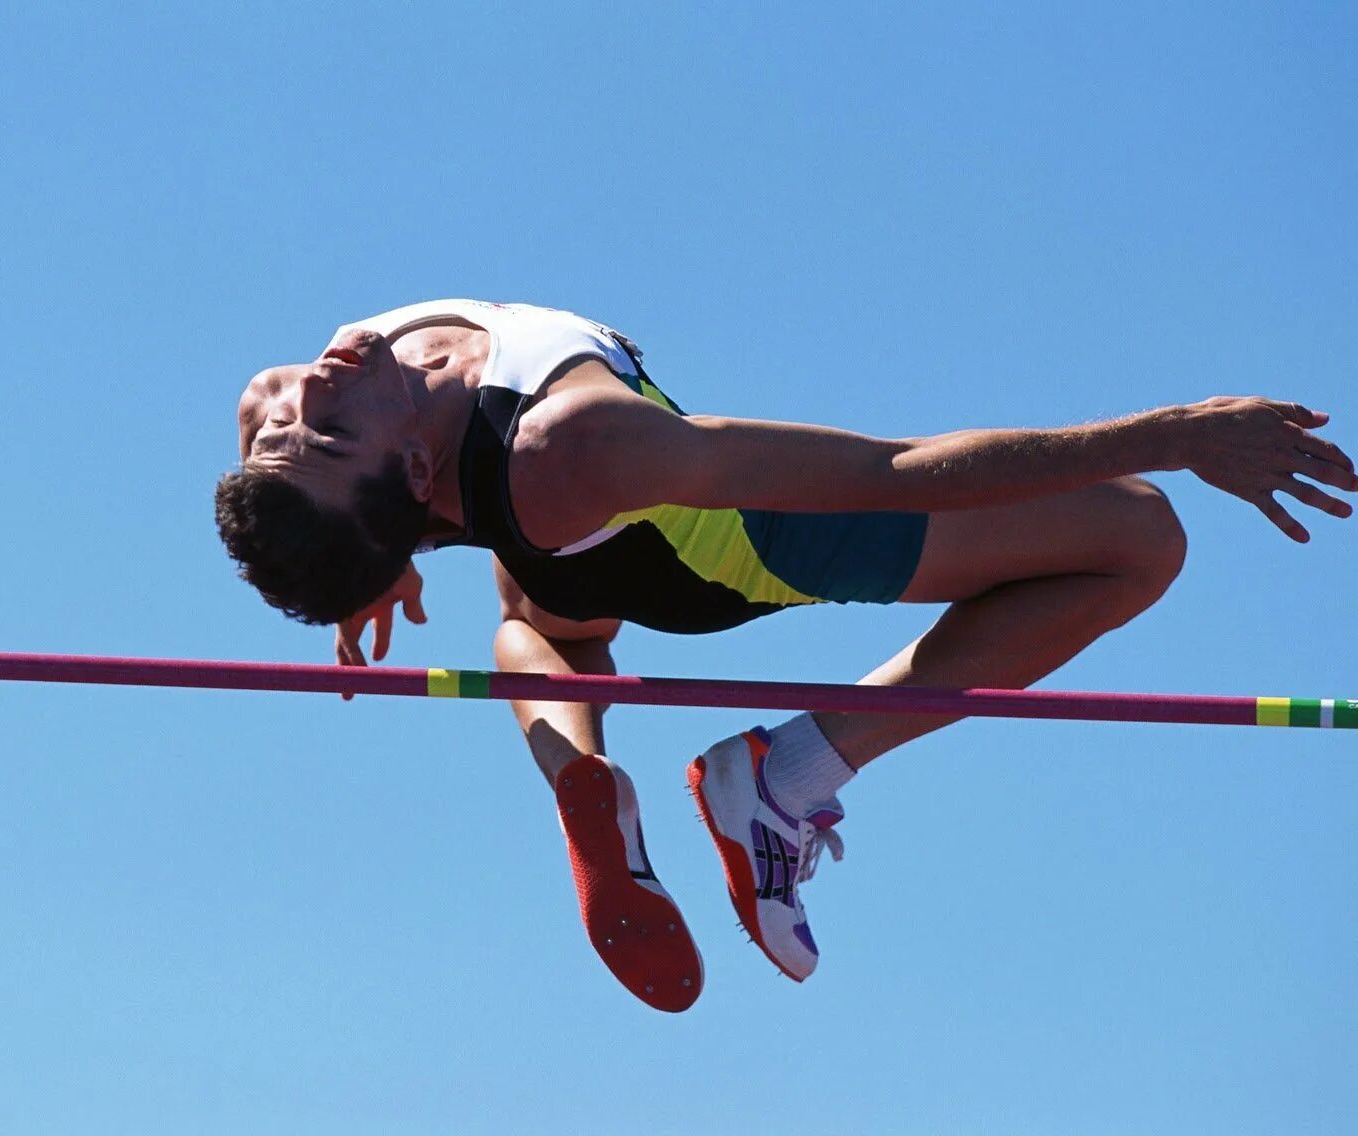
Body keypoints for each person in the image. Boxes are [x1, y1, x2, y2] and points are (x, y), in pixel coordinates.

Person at [214, 299, 1355, 1012]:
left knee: (548, 623)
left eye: (289, 429)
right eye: (329, 429)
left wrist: (378, 560)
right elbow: (890, 471)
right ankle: (788, 773)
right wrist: (1182, 432)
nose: (307, 387)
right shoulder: (582, 443)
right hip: (707, 555)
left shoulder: (280, 396)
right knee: (1138, 535)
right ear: (414, 477)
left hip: (545, 541)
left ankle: (579, 773)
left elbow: (284, 456)